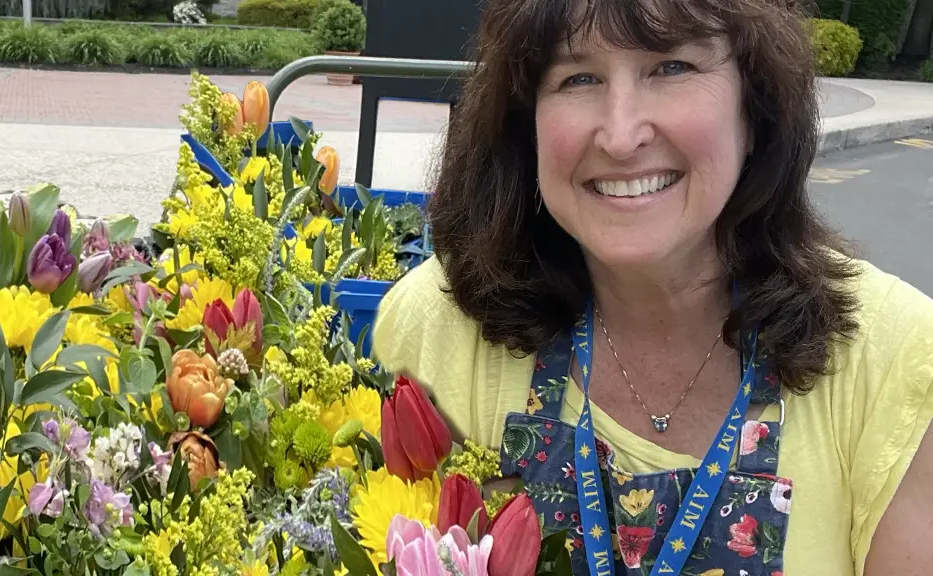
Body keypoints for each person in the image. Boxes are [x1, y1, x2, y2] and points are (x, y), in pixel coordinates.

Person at [372, 0, 933, 574]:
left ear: (754, 102)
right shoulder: (439, 329)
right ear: (526, 122)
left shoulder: (893, 363)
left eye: (671, 67)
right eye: (578, 77)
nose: (620, 136)